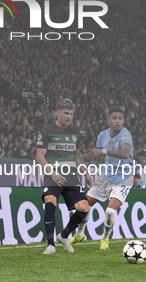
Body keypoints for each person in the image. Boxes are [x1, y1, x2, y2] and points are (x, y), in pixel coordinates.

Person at [70, 107, 134, 250]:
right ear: (108, 120)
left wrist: (101, 151)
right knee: (84, 206)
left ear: (123, 121)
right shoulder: (102, 135)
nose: (117, 121)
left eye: (120, 118)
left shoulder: (125, 134)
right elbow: (99, 154)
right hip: (105, 177)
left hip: (123, 177)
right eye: (114, 118)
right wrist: (87, 157)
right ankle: (79, 235)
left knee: (110, 211)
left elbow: (124, 154)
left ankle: (104, 239)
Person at [36, 98, 89, 255]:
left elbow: (77, 157)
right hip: (53, 176)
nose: (69, 117)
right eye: (66, 113)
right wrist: (52, 173)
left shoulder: (75, 132)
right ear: (57, 112)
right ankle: (50, 245)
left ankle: (64, 236)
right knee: (50, 203)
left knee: (83, 208)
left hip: (72, 177)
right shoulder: (46, 131)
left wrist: (87, 174)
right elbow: (40, 156)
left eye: (71, 114)